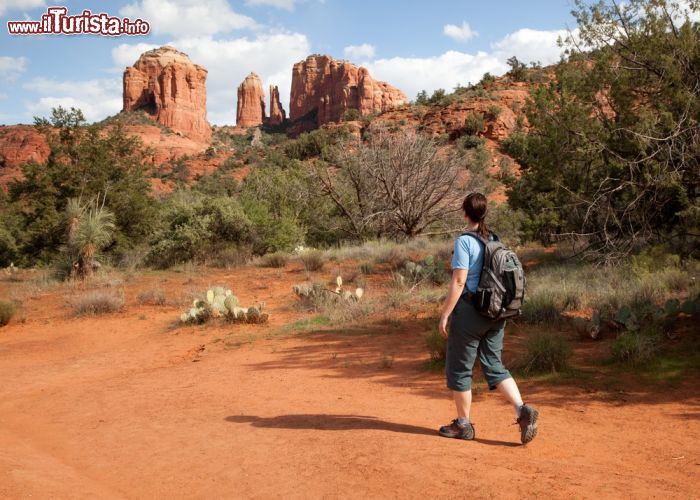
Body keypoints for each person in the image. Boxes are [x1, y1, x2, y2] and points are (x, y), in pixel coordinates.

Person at [437, 192, 538, 444]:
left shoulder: (464, 242)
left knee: (460, 369)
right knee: (494, 365)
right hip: (496, 313)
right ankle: (522, 410)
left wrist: (445, 314)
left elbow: (459, 281)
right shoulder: (494, 239)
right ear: (484, 213)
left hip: (471, 313)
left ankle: (463, 425)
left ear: (465, 213)